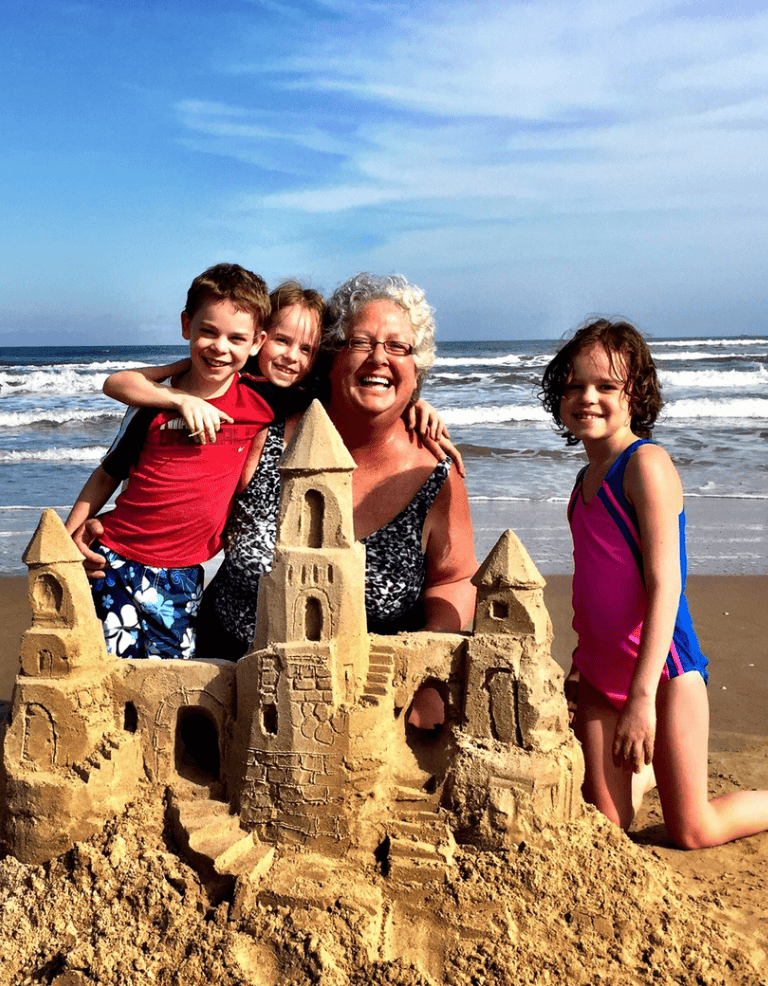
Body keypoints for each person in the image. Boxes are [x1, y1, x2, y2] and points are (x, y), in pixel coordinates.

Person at [540, 318, 768, 849]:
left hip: (662, 673)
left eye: (605, 386)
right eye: (574, 385)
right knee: (607, 830)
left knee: (692, 830)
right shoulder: (583, 481)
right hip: (600, 676)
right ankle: (643, 772)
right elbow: (593, 586)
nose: (587, 397)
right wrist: (579, 667)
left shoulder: (645, 465)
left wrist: (643, 700)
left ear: (635, 394)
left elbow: (666, 586)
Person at [197, 273, 478, 697]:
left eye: (398, 347)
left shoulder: (435, 471)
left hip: (366, 701)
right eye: (361, 342)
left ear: (415, 368)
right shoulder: (262, 436)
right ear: (331, 358)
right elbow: (184, 501)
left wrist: (427, 668)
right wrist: (114, 531)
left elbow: (454, 579)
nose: (379, 358)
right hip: (226, 687)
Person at [64, 264, 306, 659]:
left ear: (257, 342)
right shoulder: (152, 406)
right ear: (186, 325)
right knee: (107, 671)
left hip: (184, 573)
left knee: (168, 680)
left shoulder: (261, 400)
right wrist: (65, 541)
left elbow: (339, 390)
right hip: (114, 559)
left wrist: (418, 409)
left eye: (236, 338)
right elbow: (107, 470)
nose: (220, 347)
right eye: (208, 331)